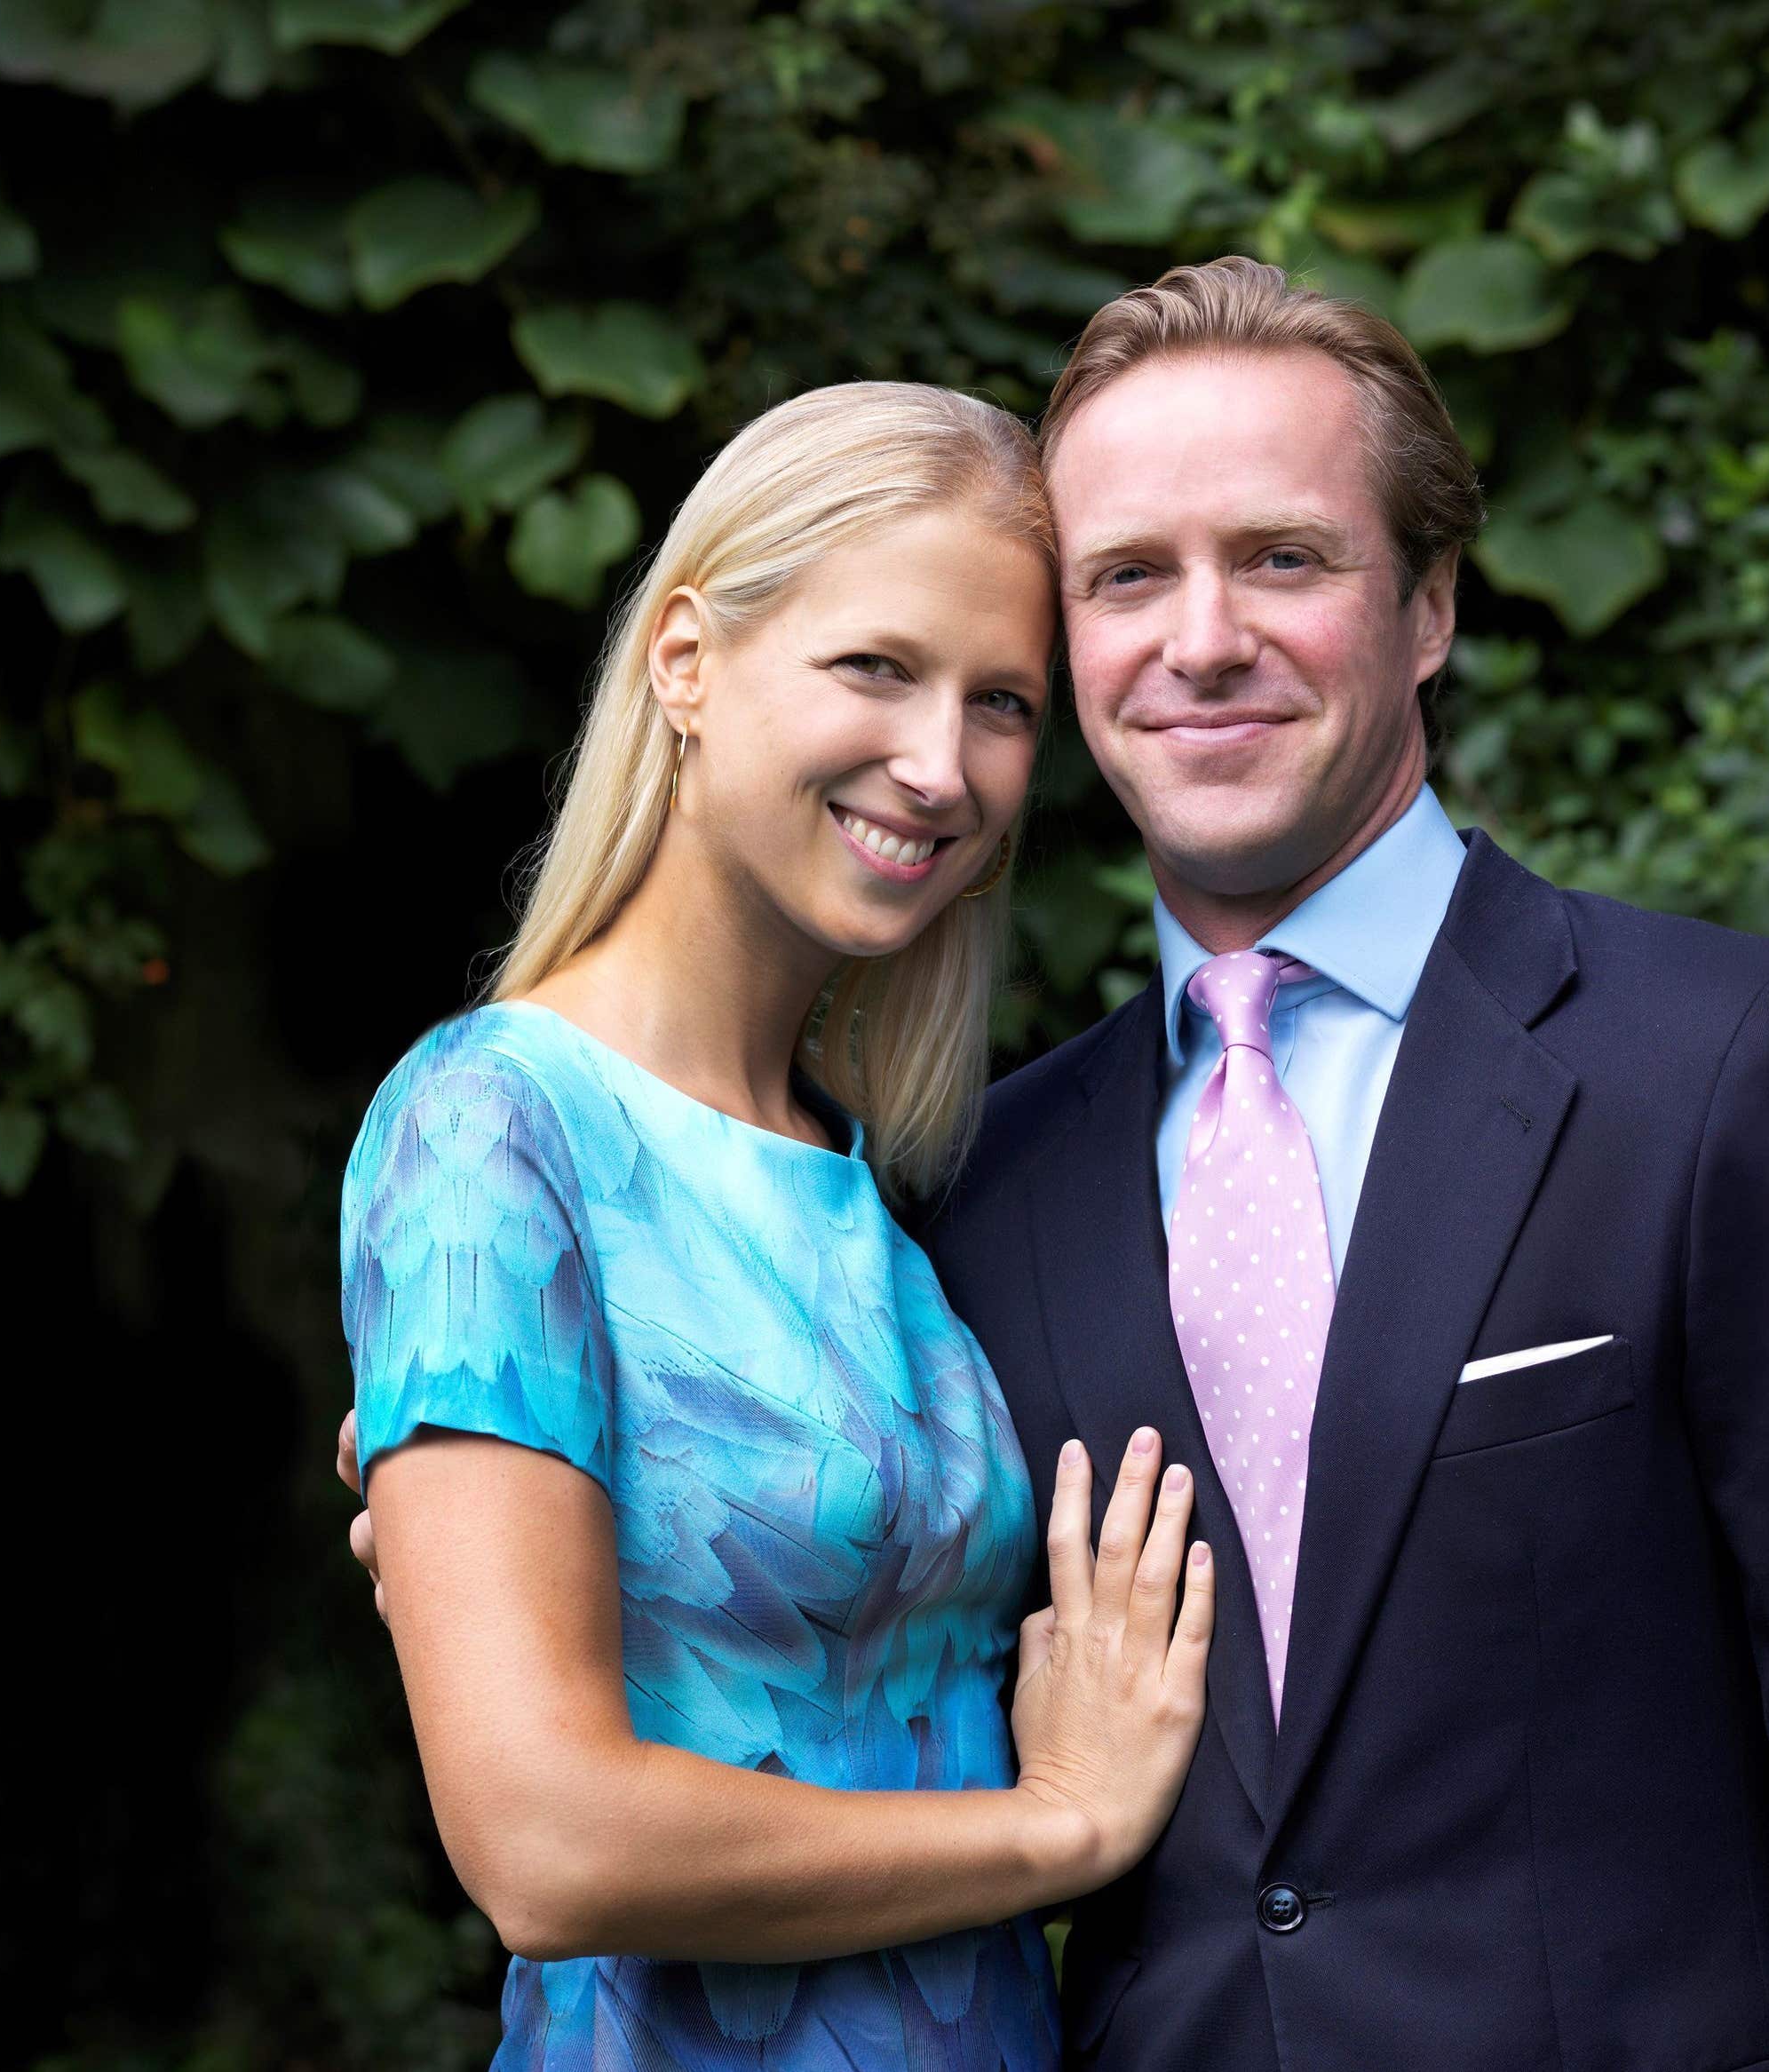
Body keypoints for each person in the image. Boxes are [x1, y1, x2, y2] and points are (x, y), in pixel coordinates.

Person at [352, 258, 1769, 2069]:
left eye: (1283, 559)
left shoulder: (1741, 1074)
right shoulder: (983, 1182)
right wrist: (466, 1477)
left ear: (1427, 607)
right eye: (1125, 579)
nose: (1200, 641)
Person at [336, 381, 1216, 2072]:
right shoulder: (490, 1130)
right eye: (877, 668)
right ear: (684, 658)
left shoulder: (883, 1176)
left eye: (1004, 703)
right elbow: (545, 1844)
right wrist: (1060, 1830)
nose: (939, 764)